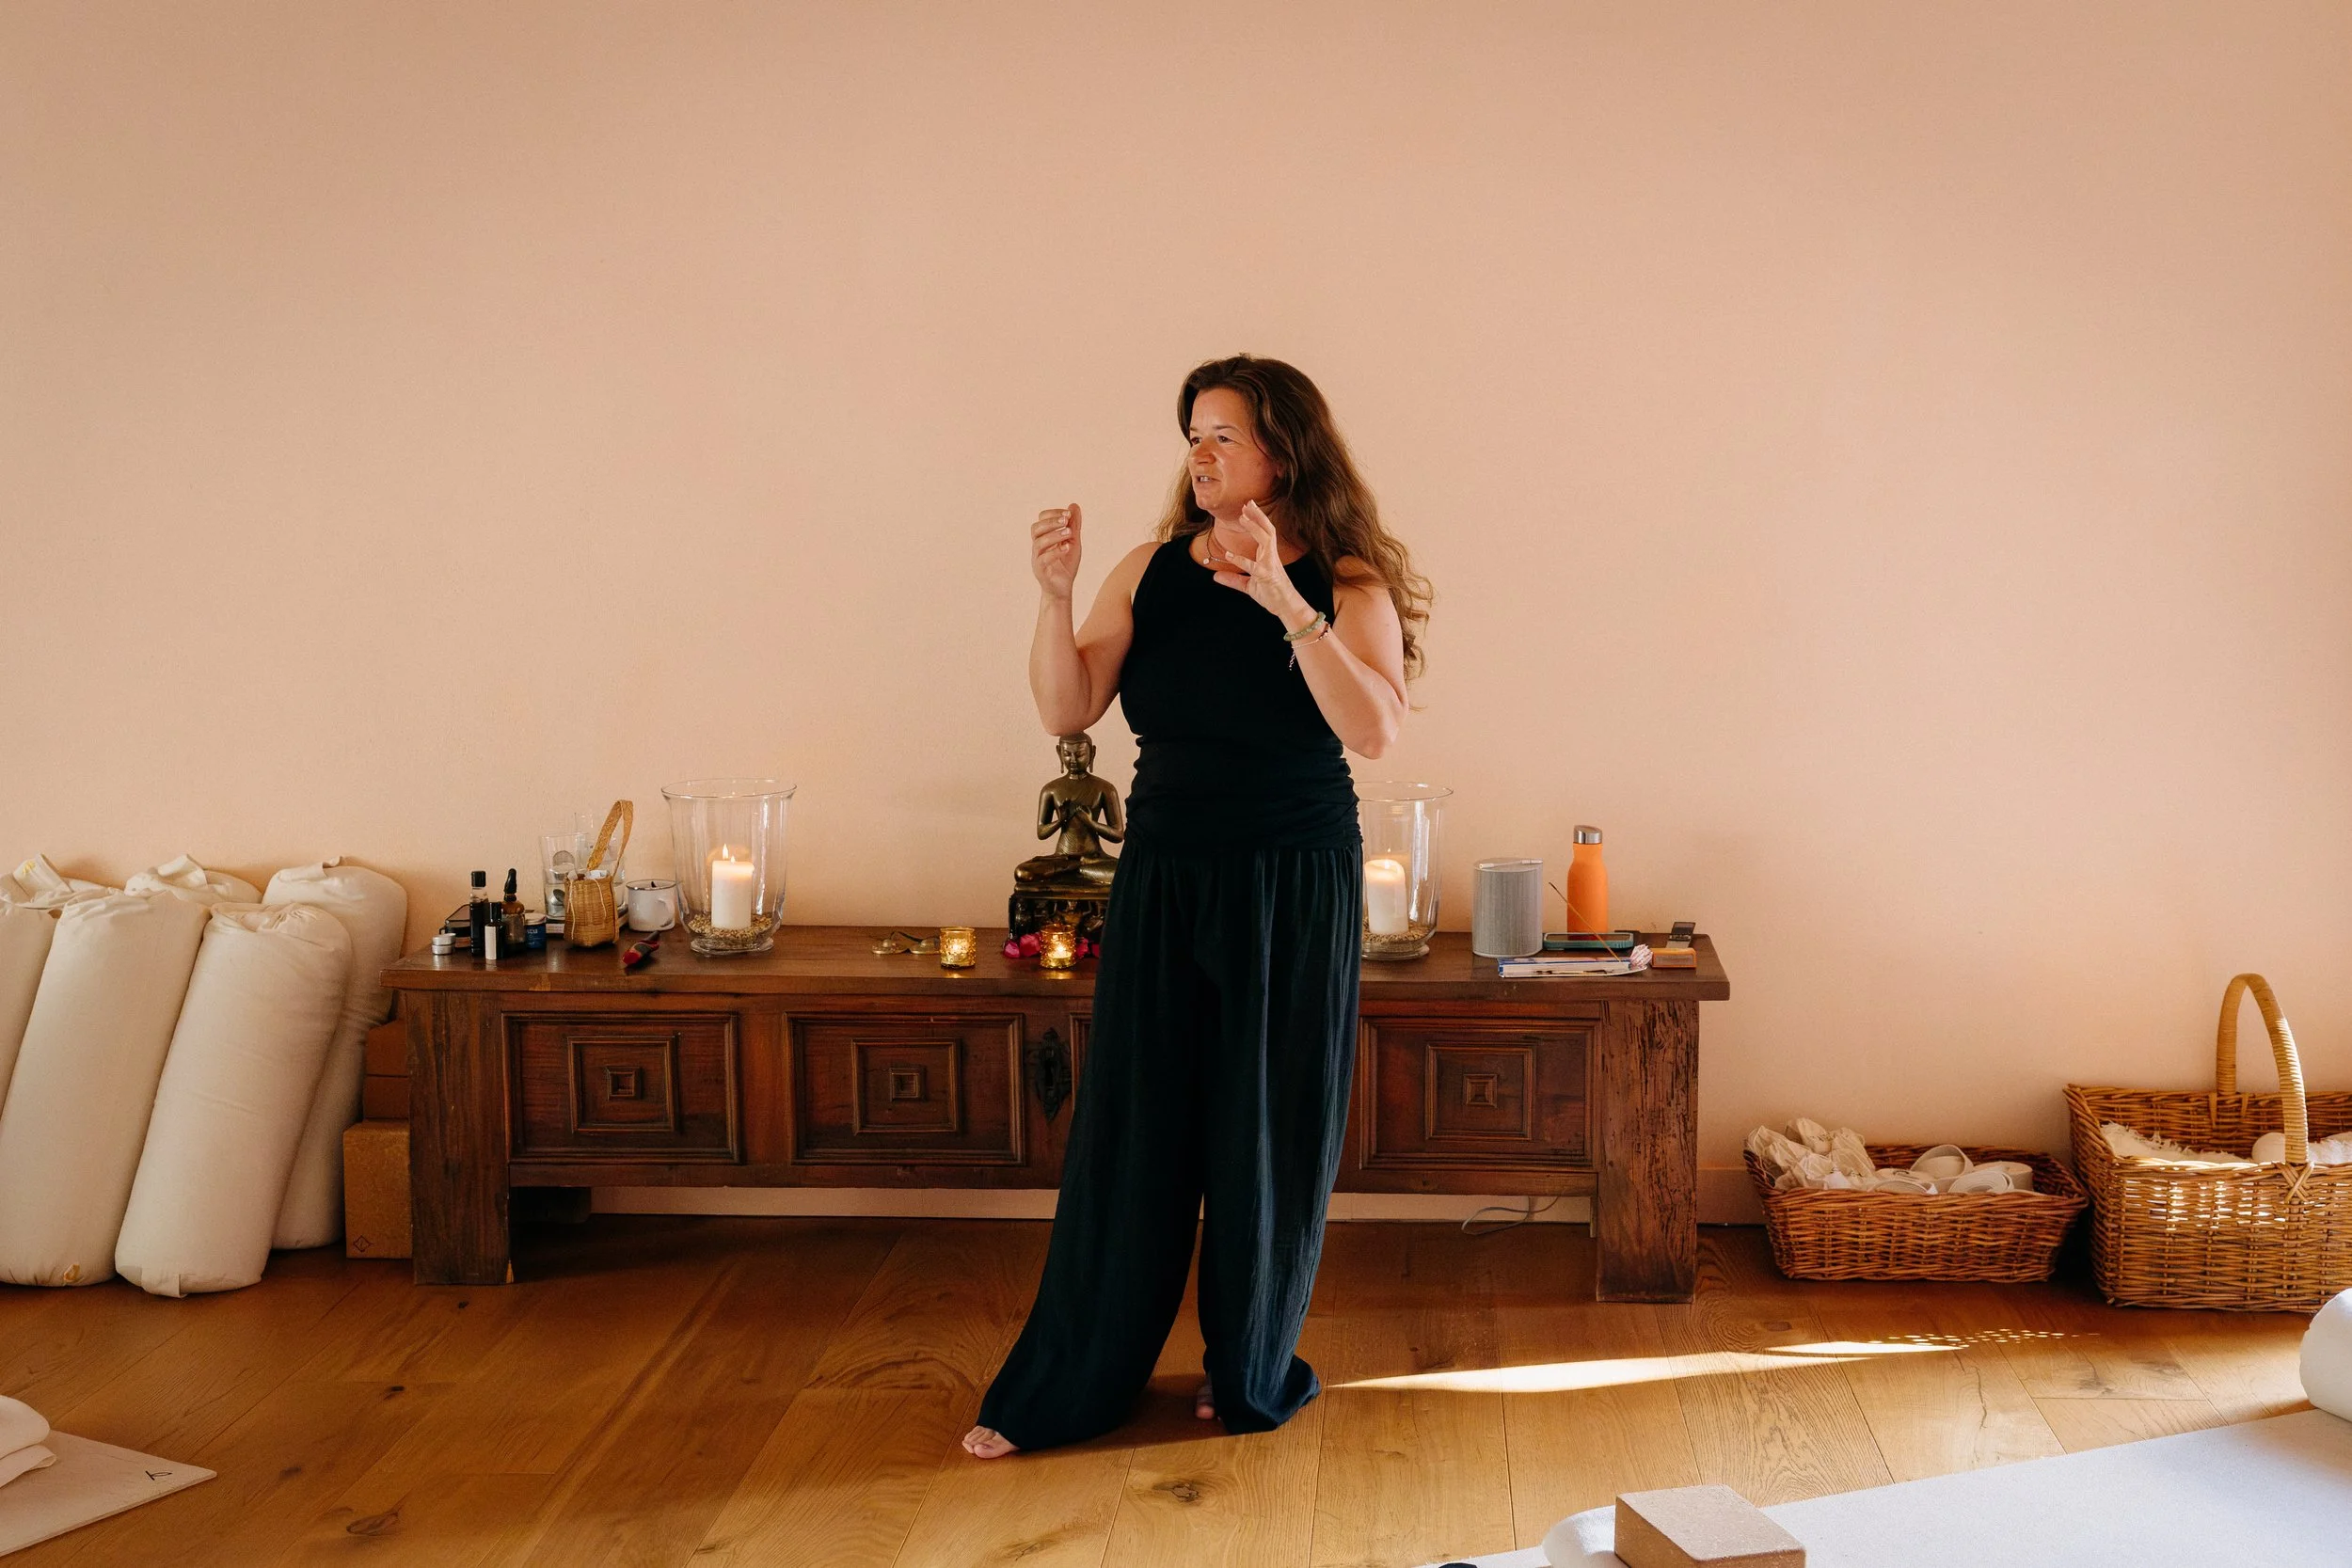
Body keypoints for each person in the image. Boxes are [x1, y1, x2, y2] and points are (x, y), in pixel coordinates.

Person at [962, 354, 1431, 1458]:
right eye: (1193, 435)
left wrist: (1282, 599)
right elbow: (1066, 704)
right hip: (1167, 868)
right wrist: (1053, 595)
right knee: (1135, 1126)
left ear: (1284, 449)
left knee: (1263, 1126)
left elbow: (1374, 730)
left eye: (1224, 433)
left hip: (1294, 874)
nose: (1201, 453)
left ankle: (1249, 1369)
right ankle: (1073, 1382)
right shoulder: (1150, 569)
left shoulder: (1347, 583)